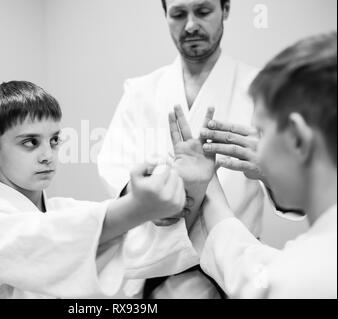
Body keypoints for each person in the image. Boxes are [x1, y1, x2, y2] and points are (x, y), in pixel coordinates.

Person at [98, 0, 275, 298]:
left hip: (233, 270)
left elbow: (296, 188)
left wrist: (270, 172)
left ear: (226, 9)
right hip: (155, 270)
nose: (190, 25)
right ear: (165, 16)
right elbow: (113, 167)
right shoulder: (140, 92)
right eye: (179, 14)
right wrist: (146, 200)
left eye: (203, 11)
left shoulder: (262, 89)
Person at [0, 81, 192, 299]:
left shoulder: (66, 210)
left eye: (54, 140)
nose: (48, 156)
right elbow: (46, 242)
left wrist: (196, 185)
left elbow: (141, 246)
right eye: (30, 142)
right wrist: (137, 207)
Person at [177, 32, 337, 298]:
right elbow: (252, 267)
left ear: (297, 139)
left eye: (260, 132)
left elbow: (266, 280)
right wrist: (210, 189)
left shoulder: (301, 277)